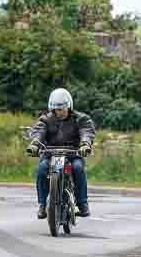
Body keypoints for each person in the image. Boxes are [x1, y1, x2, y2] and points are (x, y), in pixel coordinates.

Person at [26, 88, 95, 219]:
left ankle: (82, 204)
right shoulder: (46, 119)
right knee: (41, 169)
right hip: (50, 155)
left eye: (62, 109)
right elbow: (39, 132)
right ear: (52, 108)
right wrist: (35, 144)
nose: (59, 112)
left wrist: (85, 144)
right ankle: (42, 205)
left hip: (73, 155)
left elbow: (87, 131)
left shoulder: (81, 119)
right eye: (56, 109)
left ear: (69, 106)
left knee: (78, 168)